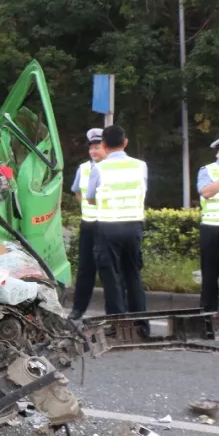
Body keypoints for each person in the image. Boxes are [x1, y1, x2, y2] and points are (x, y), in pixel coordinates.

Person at [86, 124, 147, 319]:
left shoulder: (98, 168)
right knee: (133, 275)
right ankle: (141, 324)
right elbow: (143, 190)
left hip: (108, 227)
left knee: (111, 277)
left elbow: (90, 197)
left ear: (104, 145)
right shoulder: (140, 166)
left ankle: (117, 325)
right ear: (125, 142)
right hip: (134, 226)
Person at [69, 128, 106, 320]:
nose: (93, 151)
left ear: (106, 147)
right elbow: (77, 192)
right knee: (85, 269)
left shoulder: (111, 168)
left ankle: (115, 313)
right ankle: (78, 309)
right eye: (91, 147)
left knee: (109, 270)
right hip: (88, 225)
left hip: (107, 225)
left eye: (97, 147)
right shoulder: (83, 168)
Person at [197, 133, 219, 337]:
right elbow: (207, 193)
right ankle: (207, 321)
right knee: (210, 277)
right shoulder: (207, 171)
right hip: (212, 229)